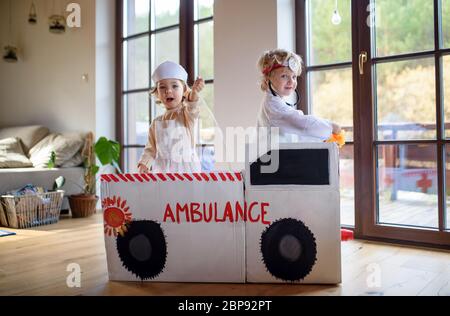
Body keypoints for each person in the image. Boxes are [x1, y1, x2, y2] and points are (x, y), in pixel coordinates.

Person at [257, 49, 341, 143]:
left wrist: (321, 139)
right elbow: (302, 124)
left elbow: (296, 134)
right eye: (284, 76)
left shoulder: (276, 102)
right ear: (267, 79)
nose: (291, 81)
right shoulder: (274, 106)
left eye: (294, 77)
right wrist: (330, 127)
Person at [137, 61, 205, 173]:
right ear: (157, 93)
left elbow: (192, 106)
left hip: (186, 171)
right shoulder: (156, 122)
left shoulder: (186, 115)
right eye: (162, 87)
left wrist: (194, 92)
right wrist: (144, 164)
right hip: (162, 170)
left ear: (184, 90)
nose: (168, 90)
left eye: (174, 86)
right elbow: (150, 149)